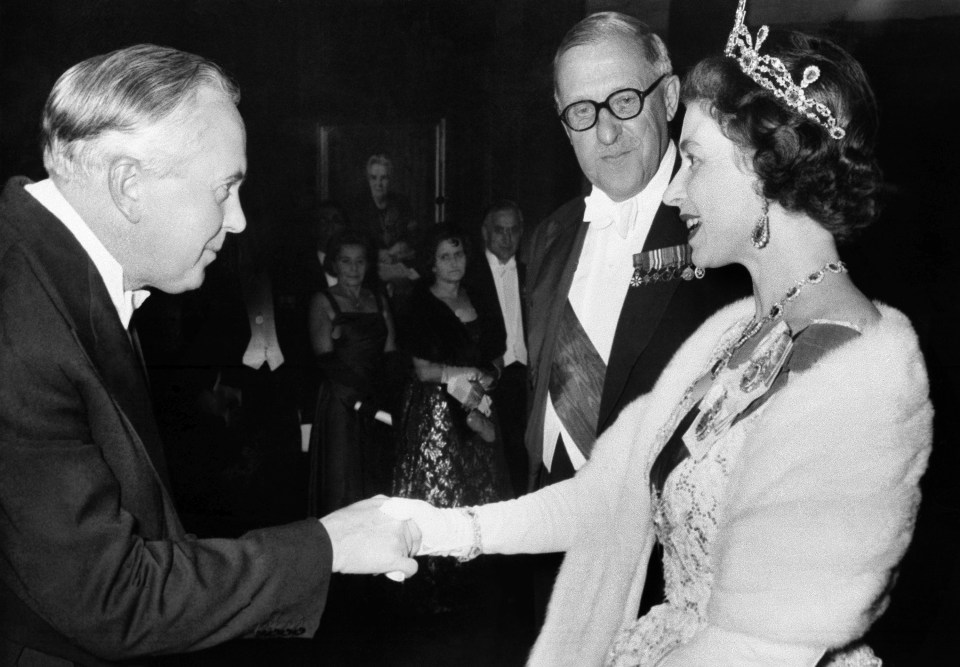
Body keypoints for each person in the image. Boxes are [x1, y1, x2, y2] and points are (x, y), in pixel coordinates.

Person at [382, 2, 933, 664]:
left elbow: (774, 638)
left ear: (762, 169)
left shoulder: (857, 367)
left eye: (695, 160)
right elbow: (608, 490)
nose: (675, 192)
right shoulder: (735, 331)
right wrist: (441, 527)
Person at [0, 44, 419, 666]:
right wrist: (329, 543)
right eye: (225, 189)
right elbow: (115, 600)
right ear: (128, 185)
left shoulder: (58, 272)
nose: (241, 220)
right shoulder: (20, 322)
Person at [524, 9, 749, 627]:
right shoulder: (545, 241)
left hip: (666, 579)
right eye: (580, 112)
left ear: (669, 96)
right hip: (547, 550)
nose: (606, 133)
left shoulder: (727, 236)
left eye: (624, 101)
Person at [307, 231, 398, 516]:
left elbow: (391, 353)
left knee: (377, 480)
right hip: (342, 401)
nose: (354, 268)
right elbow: (325, 360)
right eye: (346, 261)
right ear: (334, 264)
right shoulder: (322, 301)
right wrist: (360, 400)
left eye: (360, 261)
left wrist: (388, 401)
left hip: (377, 402)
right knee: (342, 484)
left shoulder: (379, 299)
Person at [464, 200, 529, 497]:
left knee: (522, 456)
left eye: (514, 230)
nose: (507, 238)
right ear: (486, 233)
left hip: (526, 376)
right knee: (488, 460)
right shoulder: (469, 277)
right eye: (499, 231)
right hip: (489, 377)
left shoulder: (533, 273)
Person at [349, 154, 420, 305]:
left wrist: (402, 245)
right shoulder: (358, 207)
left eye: (384, 178)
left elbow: (413, 236)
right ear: (368, 180)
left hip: (400, 266)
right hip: (370, 271)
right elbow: (354, 242)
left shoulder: (402, 203)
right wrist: (377, 253)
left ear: (391, 180)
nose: (378, 183)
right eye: (374, 178)